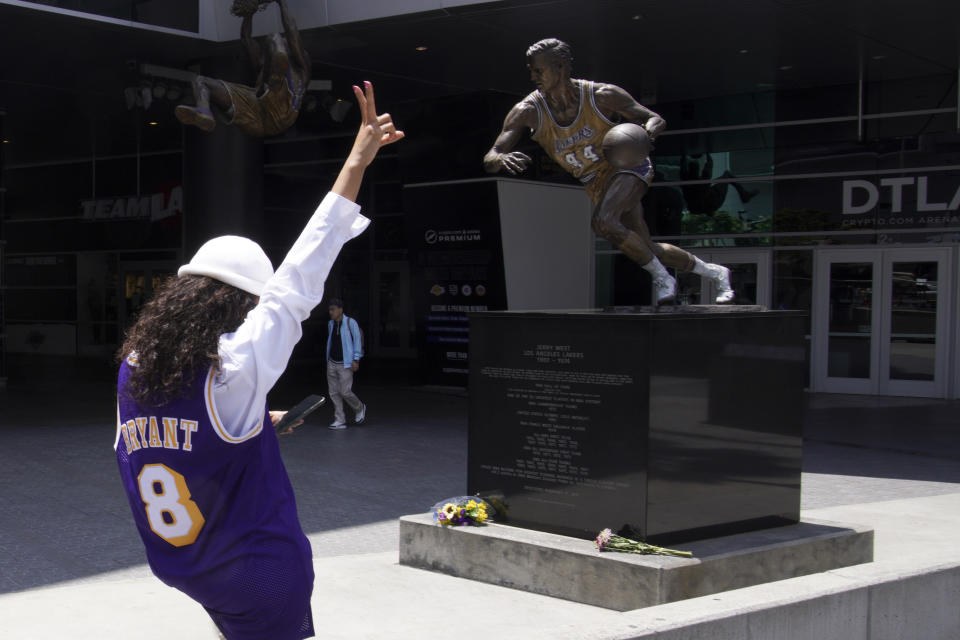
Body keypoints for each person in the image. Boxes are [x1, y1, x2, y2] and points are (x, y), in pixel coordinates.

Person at [114, 82, 403, 640]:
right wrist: (355, 162)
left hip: (182, 564)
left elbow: (175, 436)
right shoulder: (232, 369)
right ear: (235, 303)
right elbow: (296, 284)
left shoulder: (135, 366)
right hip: (258, 569)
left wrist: (252, 423)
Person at [483, 38, 734, 304]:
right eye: (531, 70)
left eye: (538, 70)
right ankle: (715, 273)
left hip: (627, 167)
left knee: (603, 222)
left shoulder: (601, 95)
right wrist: (500, 159)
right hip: (596, 183)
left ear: (559, 67)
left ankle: (663, 279)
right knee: (647, 248)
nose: (533, 76)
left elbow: (653, 118)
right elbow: (491, 155)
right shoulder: (528, 110)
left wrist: (645, 134)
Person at [175, 0, 310, 137]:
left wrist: (282, 3)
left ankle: (277, 76)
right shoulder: (262, 65)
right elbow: (246, 39)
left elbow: (292, 30)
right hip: (255, 114)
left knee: (274, 37)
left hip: (281, 114)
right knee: (200, 81)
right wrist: (249, 12)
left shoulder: (301, 70)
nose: (285, 39)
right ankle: (204, 111)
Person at [325, 298, 365, 429]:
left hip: (345, 363)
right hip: (332, 361)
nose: (331, 312)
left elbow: (357, 341)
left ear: (340, 310)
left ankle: (359, 408)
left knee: (345, 391)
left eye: (333, 309)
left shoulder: (350, 322)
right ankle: (340, 419)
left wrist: (356, 359)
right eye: (330, 309)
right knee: (333, 392)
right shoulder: (331, 324)